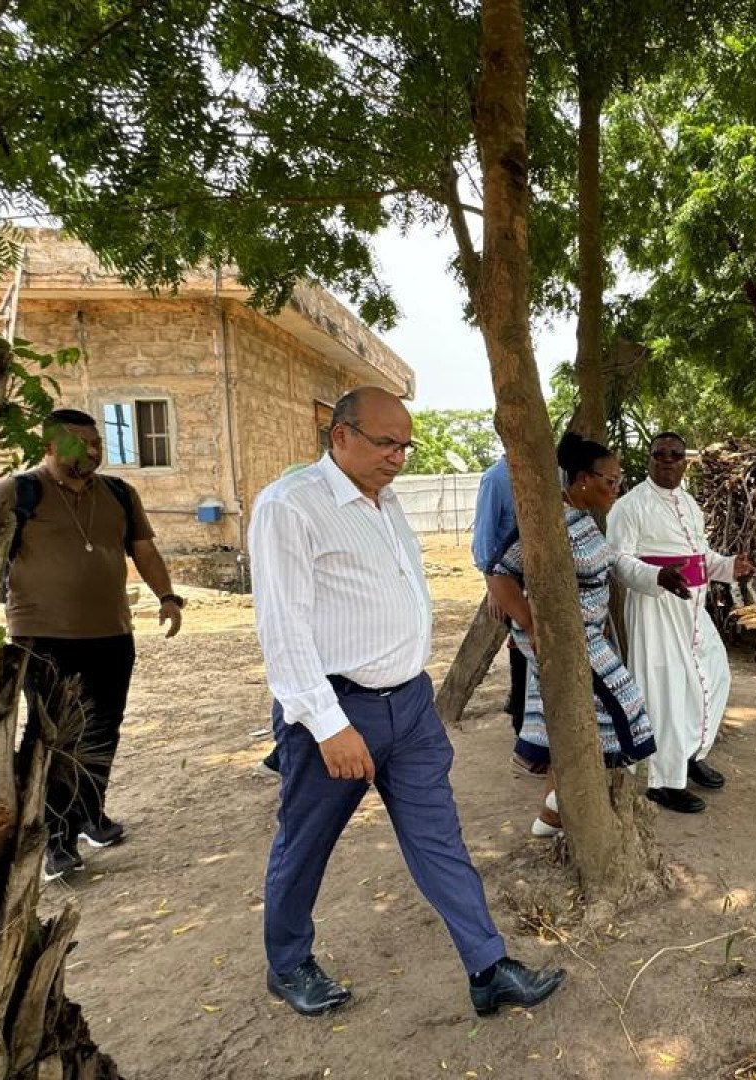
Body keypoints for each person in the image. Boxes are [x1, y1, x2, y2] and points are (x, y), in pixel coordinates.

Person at [250, 387, 564, 1019]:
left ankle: (488, 966)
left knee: (439, 838)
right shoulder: (291, 506)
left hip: (411, 707)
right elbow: (282, 628)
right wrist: (327, 724)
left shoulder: (385, 502)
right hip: (337, 713)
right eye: (385, 442)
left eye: (404, 445)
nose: (398, 457)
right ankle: (287, 964)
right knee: (306, 842)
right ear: (339, 436)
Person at [3, 408, 184, 883]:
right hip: (44, 639)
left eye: (96, 442)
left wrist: (167, 596)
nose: (91, 450)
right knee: (55, 738)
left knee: (104, 731)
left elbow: (143, 549)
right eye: (78, 442)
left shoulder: (120, 494)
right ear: (49, 444)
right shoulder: (19, 493)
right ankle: (55, 840)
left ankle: (90, 816)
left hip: (111, 636)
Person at [488, 432, 691, 836]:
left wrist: (659, 576)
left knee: (581, 720)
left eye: (619, 480)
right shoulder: (549, 524)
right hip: (565, 641)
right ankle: (566, 805)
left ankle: (551, 816)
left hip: (588, 637)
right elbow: (499, 574)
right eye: (610, 480)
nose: (616, 487)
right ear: (582, 479)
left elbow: (614, 561)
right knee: (622, 709)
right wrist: (532, 626)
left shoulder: (583, 521)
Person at [606, 433, 753, 815]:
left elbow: (700, 554)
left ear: (685, 462)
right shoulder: (629, 506)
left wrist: (728, 566)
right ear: (649, 459)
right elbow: (619, 561)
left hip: (692, 609)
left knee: (714, 674)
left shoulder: (689, 503)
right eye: (660, 455)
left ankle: (690, 754)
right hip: (655, 610)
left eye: (675, 455)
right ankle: (663, 781)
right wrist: (657, 577)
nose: (667, 461)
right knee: (666, 693)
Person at [474, 454, 538, 773]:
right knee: (522, 653)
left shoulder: (543, 473)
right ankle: (522, 738)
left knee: (535, 658)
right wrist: (494, 587)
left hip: (537, 579)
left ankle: (530, 728)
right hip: (510, 580)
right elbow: (484, 542)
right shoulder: (496, 479)